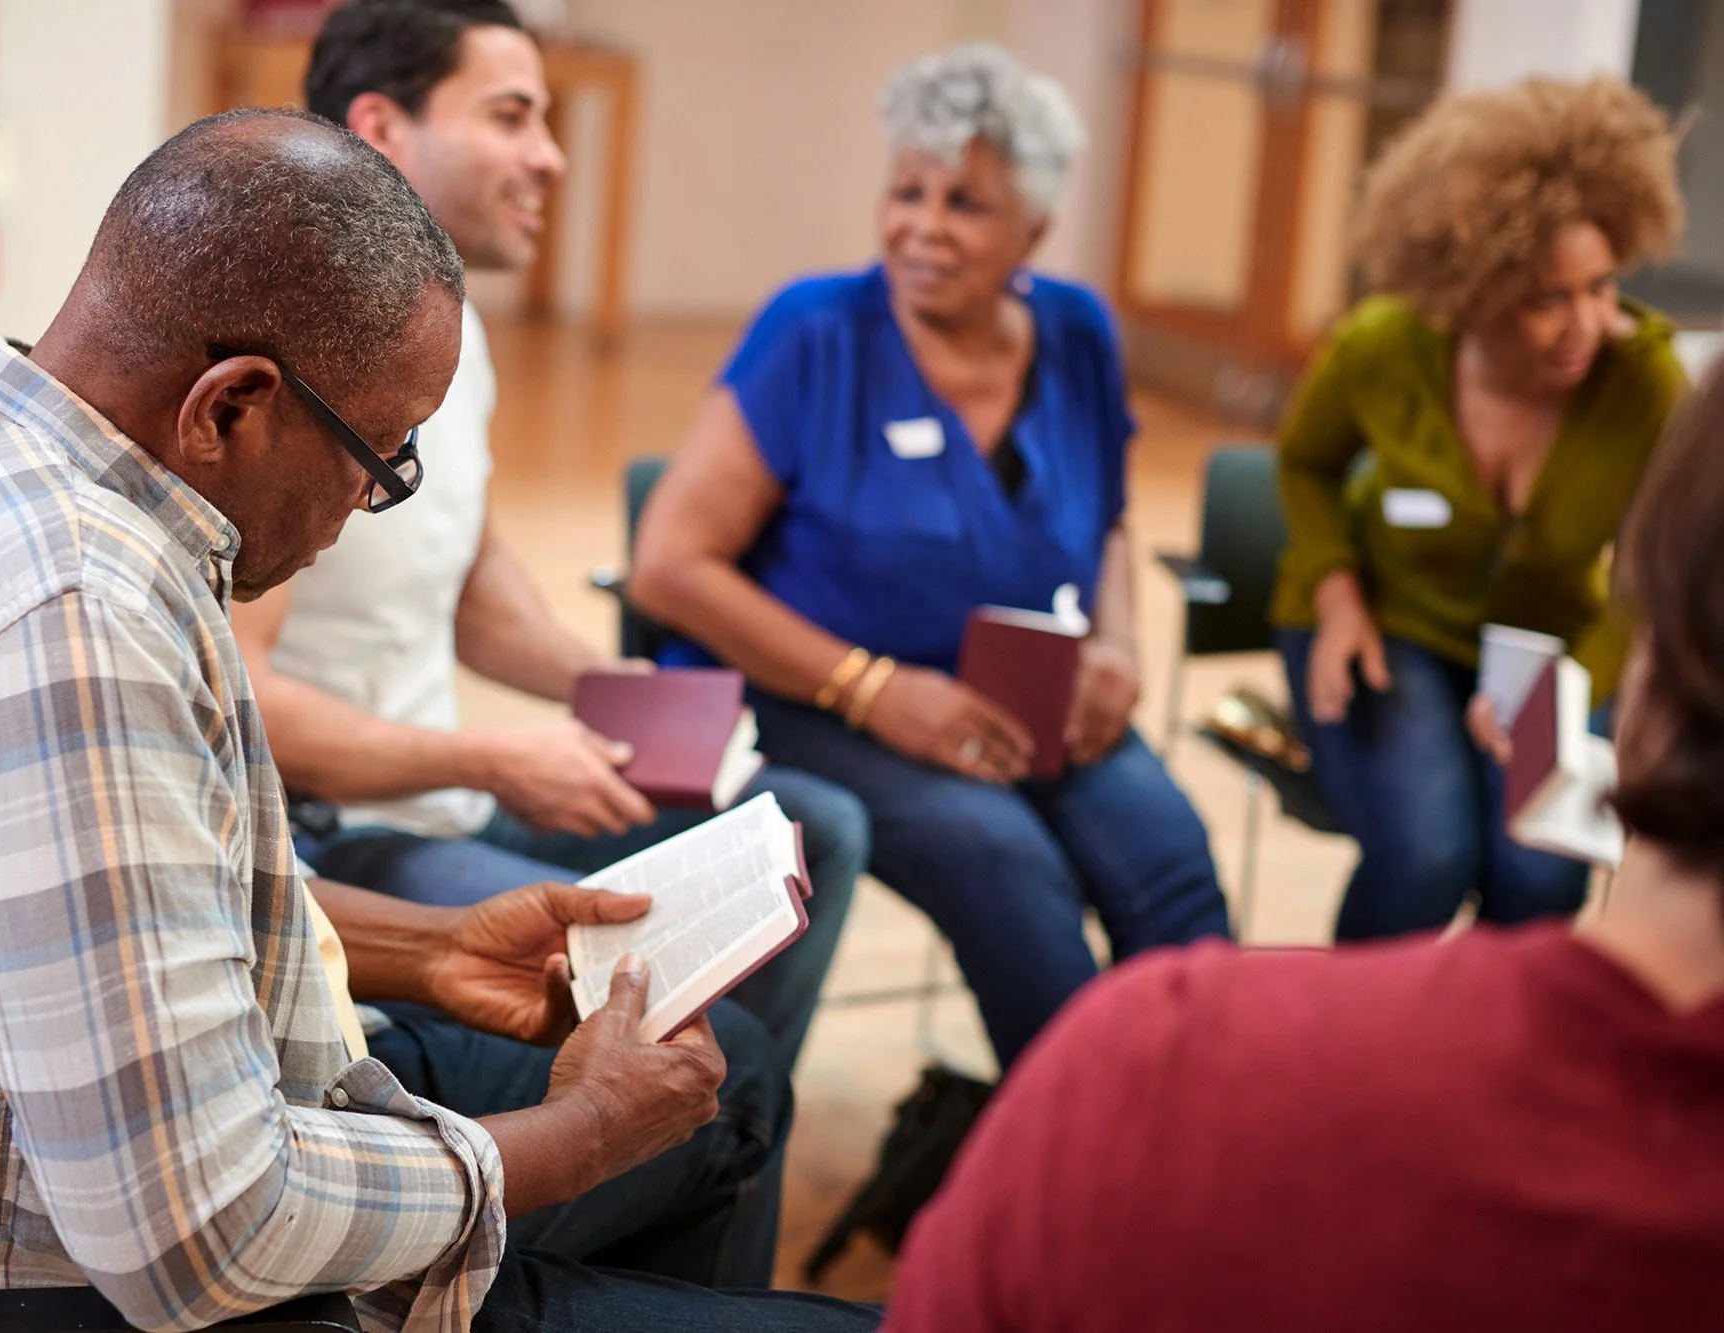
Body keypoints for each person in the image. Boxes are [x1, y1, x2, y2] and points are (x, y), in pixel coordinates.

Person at [0, 110, 873, 1333]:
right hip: (104, 1289)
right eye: (379, 458)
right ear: (228, 408)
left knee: (727, 1079)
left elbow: (91, 910)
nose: (372, 504)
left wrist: (431, 949)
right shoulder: (74, 631)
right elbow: (201, 1239)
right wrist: (582, 1135)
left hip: (87, 1180)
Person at [882, 356, 1724, 1333]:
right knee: (1413, 845)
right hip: (1373, 662)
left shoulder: (1165, 1061)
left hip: (1150, 1114)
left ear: (1652, 644)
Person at [233, 0, 868, 1078]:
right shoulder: (296, 356)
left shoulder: (448, 322)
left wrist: (607, 687)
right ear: (383, 128)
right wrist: (490, 757)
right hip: (338, 838)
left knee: (808, 827)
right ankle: (623, 1158)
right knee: (718, 1065)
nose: (551, 155)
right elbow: (235, 696)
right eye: (513, 116)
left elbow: (470, 579)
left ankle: (661, 1167)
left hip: (449, 793)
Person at [627, 43, 1230, 1070]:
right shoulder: (814, 333)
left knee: (1168, 861)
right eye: (906, 191)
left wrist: (1119, 646)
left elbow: (1111, 523)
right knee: (1002, 863)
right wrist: (872, 688)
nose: (921, 227)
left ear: (1032, 231)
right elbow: (669, 568)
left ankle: (1199, 1134)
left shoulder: (1076, 332)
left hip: (1026, 699)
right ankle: (1068, 1173)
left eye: (965, 203)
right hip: (812, 704)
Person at [1271, 77, 1687, 941]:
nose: (1586, 323)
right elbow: (1306, 463)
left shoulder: (1642, 382)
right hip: (1393, 630)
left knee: (1539, 869)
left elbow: (1652, 575)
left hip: (1552, 654)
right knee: (1428, 856)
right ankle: (1347, 1058)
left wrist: (1570, 688)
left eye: (1603, 286)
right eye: (1547, 298)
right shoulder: (1383, 348)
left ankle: (1486, 1065)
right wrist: (1336, 596)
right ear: (1473, 283)